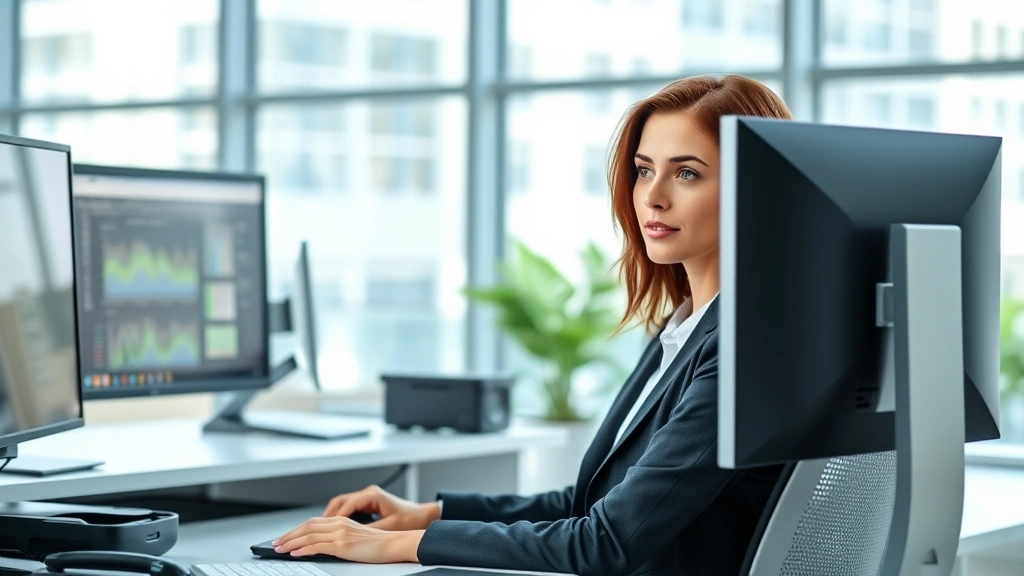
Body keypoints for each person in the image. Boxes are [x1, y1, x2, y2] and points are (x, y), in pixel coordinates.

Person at [272, 74, 794, 576]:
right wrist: (426, 514)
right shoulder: (682, 330)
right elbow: (587, 503)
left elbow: (603, 543)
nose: (652, 196)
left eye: (687, 173)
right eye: (642, 169)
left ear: (754, 187)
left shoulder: (742, 348)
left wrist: (396, 546)